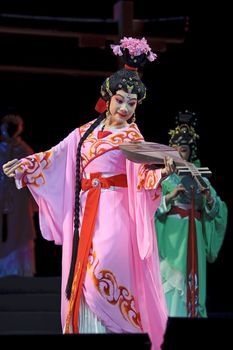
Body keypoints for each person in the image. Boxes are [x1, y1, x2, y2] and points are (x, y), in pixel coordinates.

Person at [2, 37, 173, 349]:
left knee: (104, 267)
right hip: (84, 212)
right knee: (82, 274)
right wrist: (26, 166)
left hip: (115, 211)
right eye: (120, 100)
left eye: (131, 103)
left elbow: (142, 173)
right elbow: (55, 158)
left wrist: (161, 172)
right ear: (107, 98)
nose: (124, 108)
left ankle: (117, 331)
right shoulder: (83, 133)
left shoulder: (133, 136)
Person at [154, 111, 228, 318]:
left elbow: (219, 211)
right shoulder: (163, 177)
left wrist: (208, 197)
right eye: (175, 149)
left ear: (190, 152)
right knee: (167, 282)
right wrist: (170, 197)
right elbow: (147, 208)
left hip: (191, 234)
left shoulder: (200, 175)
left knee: (190, 282)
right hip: (169, 234)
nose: (179, 153)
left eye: (183, 150)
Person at [0, 112, 37, 276]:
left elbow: (33, 176)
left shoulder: (25, 150)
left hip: (20, 197)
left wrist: (34, 201)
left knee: (20, 229)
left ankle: (20, 268)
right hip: (2, 196)